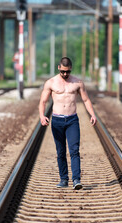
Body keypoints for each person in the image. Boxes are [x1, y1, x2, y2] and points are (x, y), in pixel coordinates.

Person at [39, 57, 97, 190]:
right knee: (60, 152)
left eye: (68, 72)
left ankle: (76, 179)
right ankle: (63, 179)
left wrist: (92, 114)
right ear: (58, 67)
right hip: (57, 121)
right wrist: (42, 116)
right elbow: (43, 101)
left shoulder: (77, 83)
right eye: (63, 71)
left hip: (72, 120)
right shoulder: (51, 83)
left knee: (74, 150)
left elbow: (86, 100)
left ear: (71, 69)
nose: (65, 74)